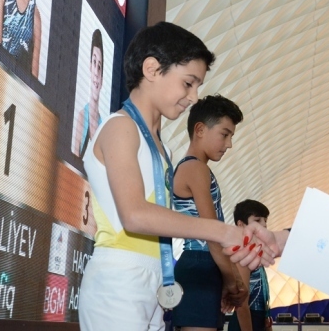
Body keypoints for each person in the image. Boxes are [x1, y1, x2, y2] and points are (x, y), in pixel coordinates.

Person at [78, 22, 270, 331]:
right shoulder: (120, 127)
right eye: (188, 83)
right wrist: (220, 231)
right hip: (119, 281)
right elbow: (135, 215)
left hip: (155, 282)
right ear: (152, 69)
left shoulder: (162, 149)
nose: (194, 97)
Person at [172, 94, 246, 330]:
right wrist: (232, 280)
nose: (229, 144)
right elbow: (213, 234)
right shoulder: (195, 167)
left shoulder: (198, 168)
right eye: (225, 134)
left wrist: (228, 275)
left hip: (205, 265)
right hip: (199, 265)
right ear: (200, 129)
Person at [228, 200, 273, 331]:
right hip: (244, 325)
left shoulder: (254, 254)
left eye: (265, 220)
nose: (264, 225)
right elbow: (241, 306)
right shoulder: (242, 256)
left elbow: (262, 297)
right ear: (241, 225)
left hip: (258, 321)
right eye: (258, 220)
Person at [72, 29, 104, 159]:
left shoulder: (104, 127)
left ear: (102, 78)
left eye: (100, 66)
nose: (96, 72)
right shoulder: (82, 117)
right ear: (90, 67)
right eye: (94, 63)